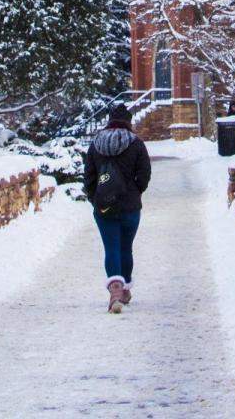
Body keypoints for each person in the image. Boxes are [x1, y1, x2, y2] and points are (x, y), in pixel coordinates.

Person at [82, 103, 151, 313]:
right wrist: (135, 191)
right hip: (130, 206)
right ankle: (125, 289)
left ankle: (115, 292)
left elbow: (89, 178)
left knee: (111, 247)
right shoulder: (136, 144)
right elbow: (145, 175)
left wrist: (96, 198)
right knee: (125, 247)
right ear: (128, 122)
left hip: (104, 206)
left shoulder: (96, 144)